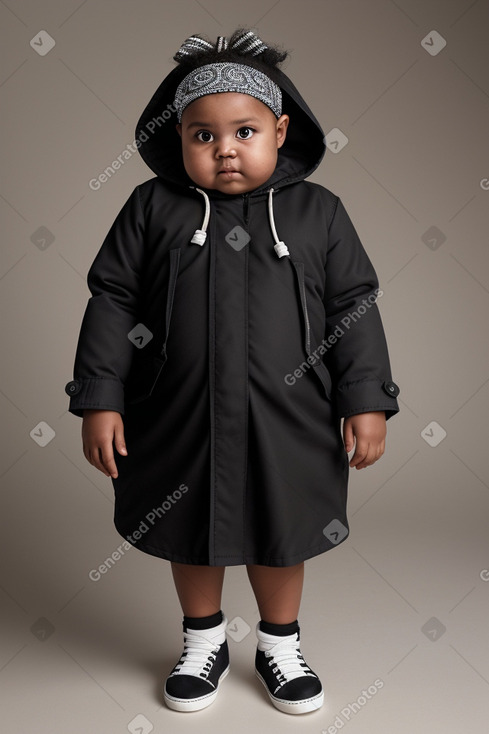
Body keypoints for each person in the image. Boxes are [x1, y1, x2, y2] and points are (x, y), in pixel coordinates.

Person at [65, 28, 400, 716]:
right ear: (177, 138)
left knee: (283, 527)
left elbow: (352, 306)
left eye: (243, 130)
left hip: (293, 415)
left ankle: (280, 643)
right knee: (186, 520)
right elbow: (112, 298)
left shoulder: (317, 213)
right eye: (201, 135)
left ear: (278, 129)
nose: (223, 149)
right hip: (177, 409)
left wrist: (364, 398)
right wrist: (101, 396)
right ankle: (203, 638)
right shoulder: (152, 209)